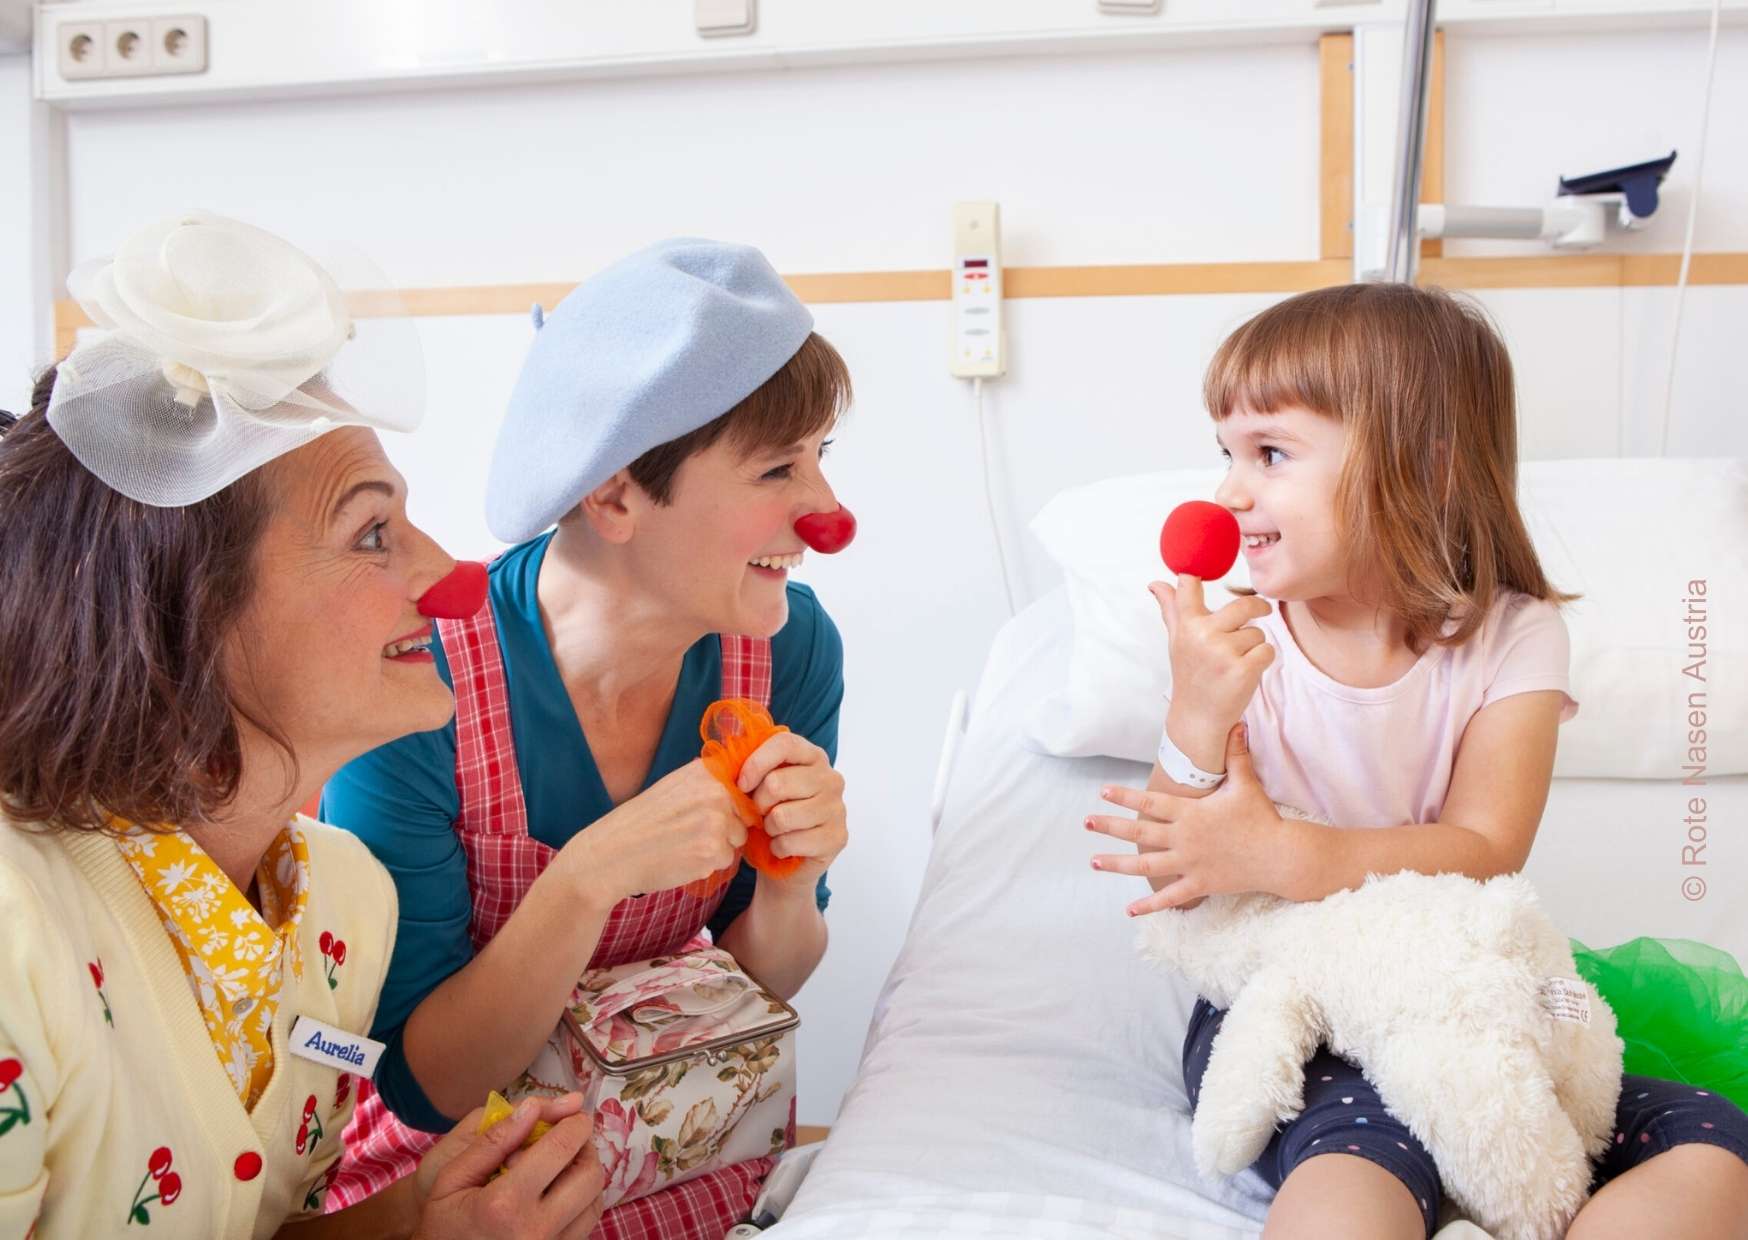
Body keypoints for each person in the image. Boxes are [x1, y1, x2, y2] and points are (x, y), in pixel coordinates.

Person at [1085, 283, 1748, 1238]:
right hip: (1296, 1007)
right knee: (1364, 1152)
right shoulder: (1239, 647)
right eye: (1225, 453)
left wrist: (1290, 857)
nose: (1228, 493)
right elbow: (1173, 875)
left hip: (1461, 986)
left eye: (1269, 453)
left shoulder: (1513, 637)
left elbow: (1488, 843)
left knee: (1710, 1135)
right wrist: (1194, 711)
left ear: (1422, 468)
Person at [0, 211, 606, 1239]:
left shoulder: (341, 903)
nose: (439, 573)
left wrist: (414, 1217)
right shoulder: (16, 934)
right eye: (372, 531)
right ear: (191, 606)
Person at [324, 239, 852, 1237]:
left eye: (824, 457)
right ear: (612, 495)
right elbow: (411, 1080)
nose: (826, 512)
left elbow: (759, 981)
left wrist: (788, 878)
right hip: (457, 1193)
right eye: (779, 466)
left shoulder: (789, 650)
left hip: (678, 1157)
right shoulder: (417, 674)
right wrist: (584, 879)